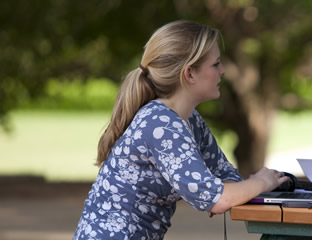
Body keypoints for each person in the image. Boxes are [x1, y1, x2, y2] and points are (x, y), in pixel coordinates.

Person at [73, 20, 289, 240]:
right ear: (189, 74)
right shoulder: (160, 123)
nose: (223, 71)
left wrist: (241, 190)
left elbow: (226, 179)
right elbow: (218, 198)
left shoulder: (188, 119)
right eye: (215, 64)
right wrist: (260, 182)